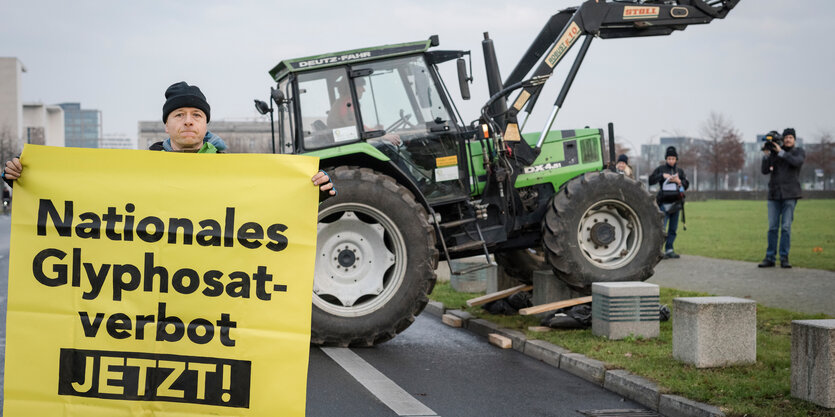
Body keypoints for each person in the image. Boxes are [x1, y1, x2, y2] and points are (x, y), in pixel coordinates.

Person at [3, 81, 336, 199]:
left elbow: (272, 203)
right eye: (179, 115)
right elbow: (86, 193)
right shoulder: (142, 168)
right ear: (166, 125)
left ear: (206, 124)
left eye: (196, 115)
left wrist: (313, 191)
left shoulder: (235, 170)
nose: (188, 121)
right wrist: (26, 178)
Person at [758, 127, 805, 268]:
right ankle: (770, 257)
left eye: (791, 137)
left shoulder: (798, 152)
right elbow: (765, 170)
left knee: (785, 227)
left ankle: (784, 257)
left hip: (790, 195)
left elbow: (796, 162)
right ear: (782, 139)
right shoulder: (775, 153)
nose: (788, 139)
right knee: (772, 227)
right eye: (786, 137)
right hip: (774, 195)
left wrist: (781, 152)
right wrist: (767, 155)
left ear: (794, 140)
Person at [649, 146, 689, 259]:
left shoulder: (680, 171)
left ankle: (669, 249)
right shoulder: (660, 169)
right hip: (663, 203)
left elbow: (686, 185)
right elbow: (651, 180)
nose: (671, 160)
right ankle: (658, 251)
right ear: (666, 159)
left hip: (676, 203)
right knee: (662, 228)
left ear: (676, 159)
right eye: (669, 158)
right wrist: (662, 176)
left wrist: (679, 181)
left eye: (673, 158)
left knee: (673, 229)